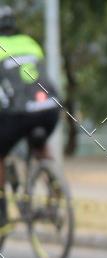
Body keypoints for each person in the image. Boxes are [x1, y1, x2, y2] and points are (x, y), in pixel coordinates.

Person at [0, 5, 60, 231]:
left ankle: (1, 212)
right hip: (49, 108)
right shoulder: (30, 43)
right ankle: (56, 187)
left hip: (18, 113)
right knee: (39, 143)